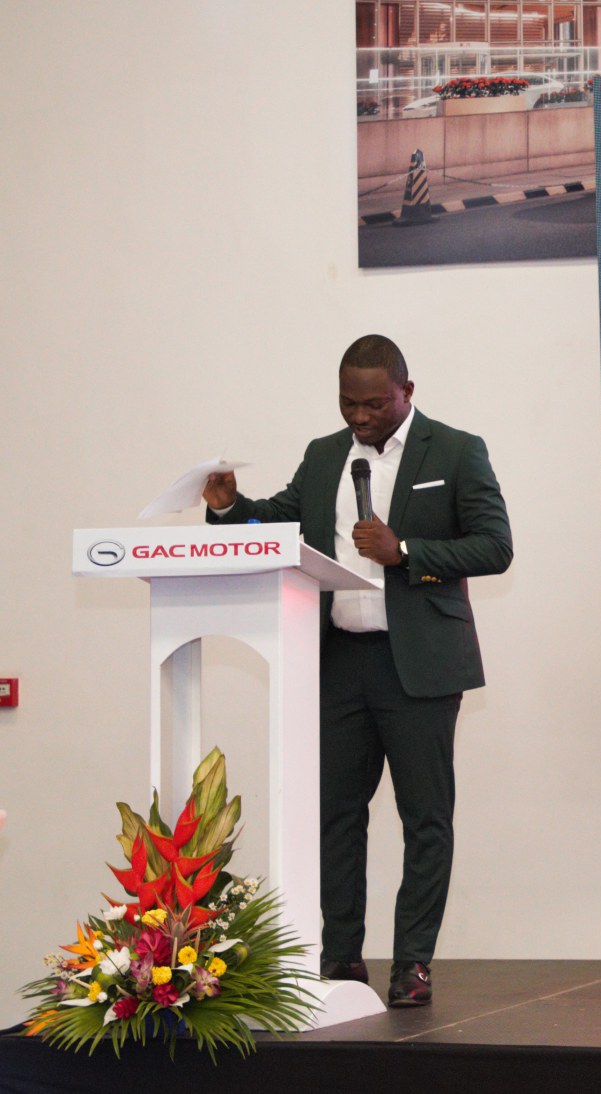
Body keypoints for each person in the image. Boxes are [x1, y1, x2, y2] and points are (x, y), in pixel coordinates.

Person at [203, 334, 513, 1007]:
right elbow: (279, 521)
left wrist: (407, 551)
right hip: (339, 660)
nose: (360, 416)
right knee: (336, 817)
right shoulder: (324, 455)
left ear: (407, 391)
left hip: (420, 666)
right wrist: (229, 506)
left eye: (374, 404)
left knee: (425, 818)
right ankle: (341, 959)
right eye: (349, 403)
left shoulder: (455, 451)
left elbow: (495, 546)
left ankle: (413, 963)